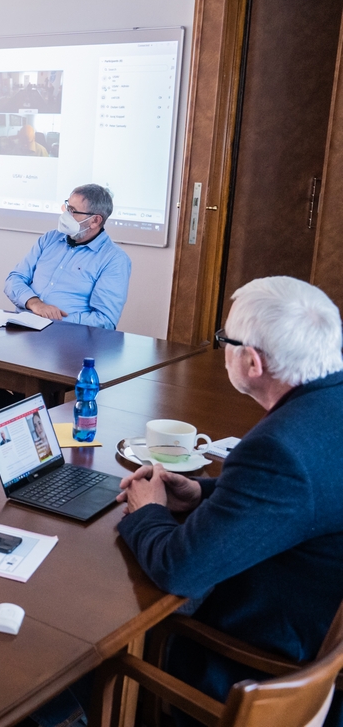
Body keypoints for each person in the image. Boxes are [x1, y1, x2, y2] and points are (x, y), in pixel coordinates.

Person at [117, 276, 343, 727]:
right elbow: (300, 500)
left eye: (225, 340)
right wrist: (202, 492)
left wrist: (149, 510)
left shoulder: (279, 449)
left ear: (252, 362)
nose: (221, 347)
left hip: (258, 663)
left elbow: (179, 570)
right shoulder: (326, 409)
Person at [0, 184, 131, 415]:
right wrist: (35, 304)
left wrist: (56, 320)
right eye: (67, 206)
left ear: (95, 220)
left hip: (65, 346)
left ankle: (15, 421)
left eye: (73, 211)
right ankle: (22, 417)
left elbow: (105, 320)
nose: (65, 214)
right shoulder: (50, 239)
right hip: (21, 331)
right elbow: (14, 279)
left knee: (25, 384)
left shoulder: (114, 260)